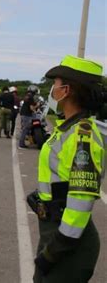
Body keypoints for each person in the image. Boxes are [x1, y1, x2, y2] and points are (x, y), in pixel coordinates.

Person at [29, 55, 106, 282]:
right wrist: (43, 197)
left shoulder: (84, 135)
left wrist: (55, 250)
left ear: (67, 90)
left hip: (69, 241)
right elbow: (61, 175)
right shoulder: (66, 128)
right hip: (55, 231)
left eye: (55, 84)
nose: (52, 89)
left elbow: (81, 200)